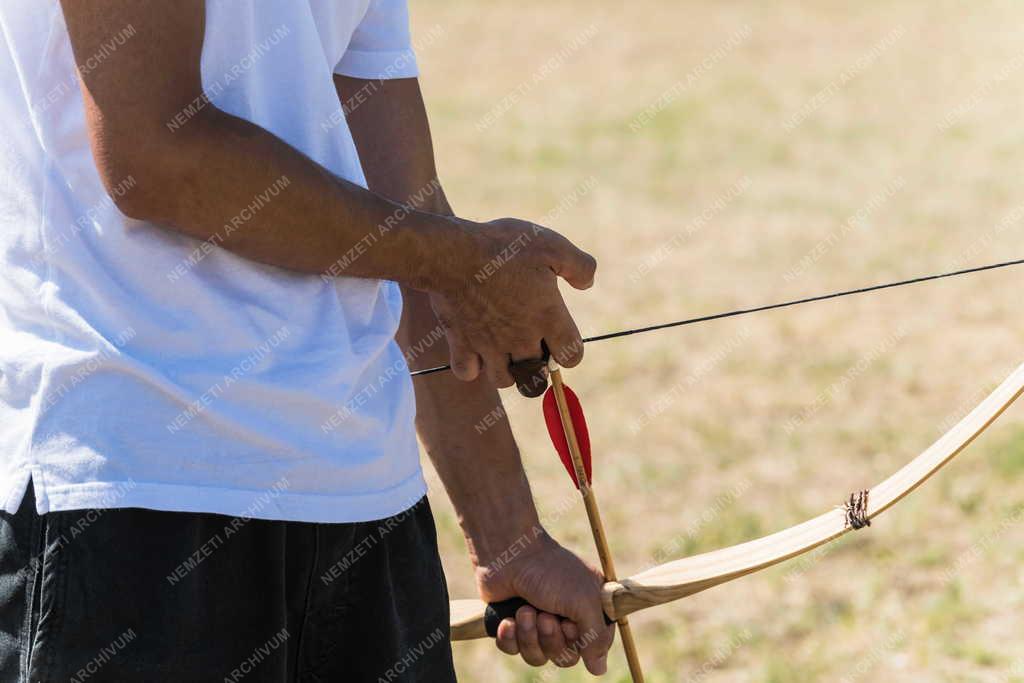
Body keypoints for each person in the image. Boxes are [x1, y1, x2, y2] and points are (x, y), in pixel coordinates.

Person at [0, 0, 616, 681]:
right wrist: (462, 260)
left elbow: (409, 212)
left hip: (364, 503)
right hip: (135, 499)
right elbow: (155, 156)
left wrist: (509, 536)